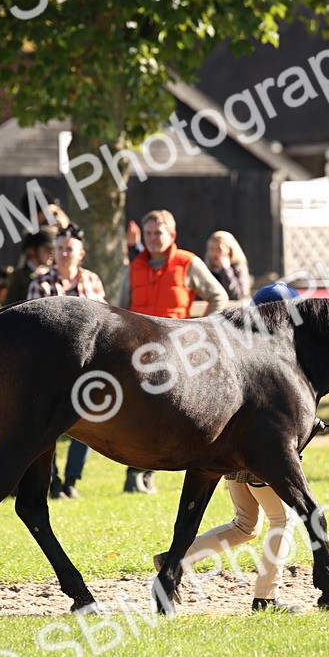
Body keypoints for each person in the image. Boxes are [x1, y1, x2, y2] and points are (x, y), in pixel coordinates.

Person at [154, 282, 308, 613]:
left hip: (230, 459)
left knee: (245, 525)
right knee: (283, 519)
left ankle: (174, 559)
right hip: (260, 457)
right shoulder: (276, 356)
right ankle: (266, 597)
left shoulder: (240, 348)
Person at [118, 209, 228, 493]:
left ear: (172, 235)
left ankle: (147, 471)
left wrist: (201, 331)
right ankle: (136, 472)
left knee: (164, 415)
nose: (153, 238)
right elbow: (119, 307)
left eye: (158, 233)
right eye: (148, 233)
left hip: (173, 353)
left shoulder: (188, 262)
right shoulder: (133, 267)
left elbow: (219, 296)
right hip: (136, 352)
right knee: (135, 413)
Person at [27, 226, 107, 498]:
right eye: (59, 248)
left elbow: (106, 323)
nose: (63, 254)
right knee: (45, 425)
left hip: (87, 367)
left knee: (88, 421)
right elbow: (32, 328)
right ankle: (53, 481)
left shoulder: (93, 281)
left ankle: (72, 480)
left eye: (69, 249)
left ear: (81, 253)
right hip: (49, 366)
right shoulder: (40, 283)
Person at [2, 225, 56, 305]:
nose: (51, 253)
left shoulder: (52, 274)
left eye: (52, 250)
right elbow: (9, 305)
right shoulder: (18, 276)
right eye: (47, 249)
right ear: (32, 251)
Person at [205, 230, 252, 300]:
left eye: (219, 249)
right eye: (211, 249)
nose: (214, 254)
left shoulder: (239, 268)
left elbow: (237, 295)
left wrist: (225, 270)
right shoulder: (206, 270)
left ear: (230, 250)